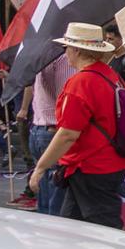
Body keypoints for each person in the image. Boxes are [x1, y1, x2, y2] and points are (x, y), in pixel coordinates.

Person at [27, 22, 125, 227]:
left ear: (76, 49)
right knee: (73, 230)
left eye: (67, 47)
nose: (65, 52)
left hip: (91, 167)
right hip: (105, 163)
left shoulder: (81, 82)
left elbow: (68, 134)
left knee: (105, 232)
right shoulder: (111, 75)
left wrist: (40, 168)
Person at [14, 55, 74, 214]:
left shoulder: (42, 55)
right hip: (52, 129)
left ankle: (46, 229)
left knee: (47, 192)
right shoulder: (62, 58)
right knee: (55, 194)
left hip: (40, 128)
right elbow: (66, 96)